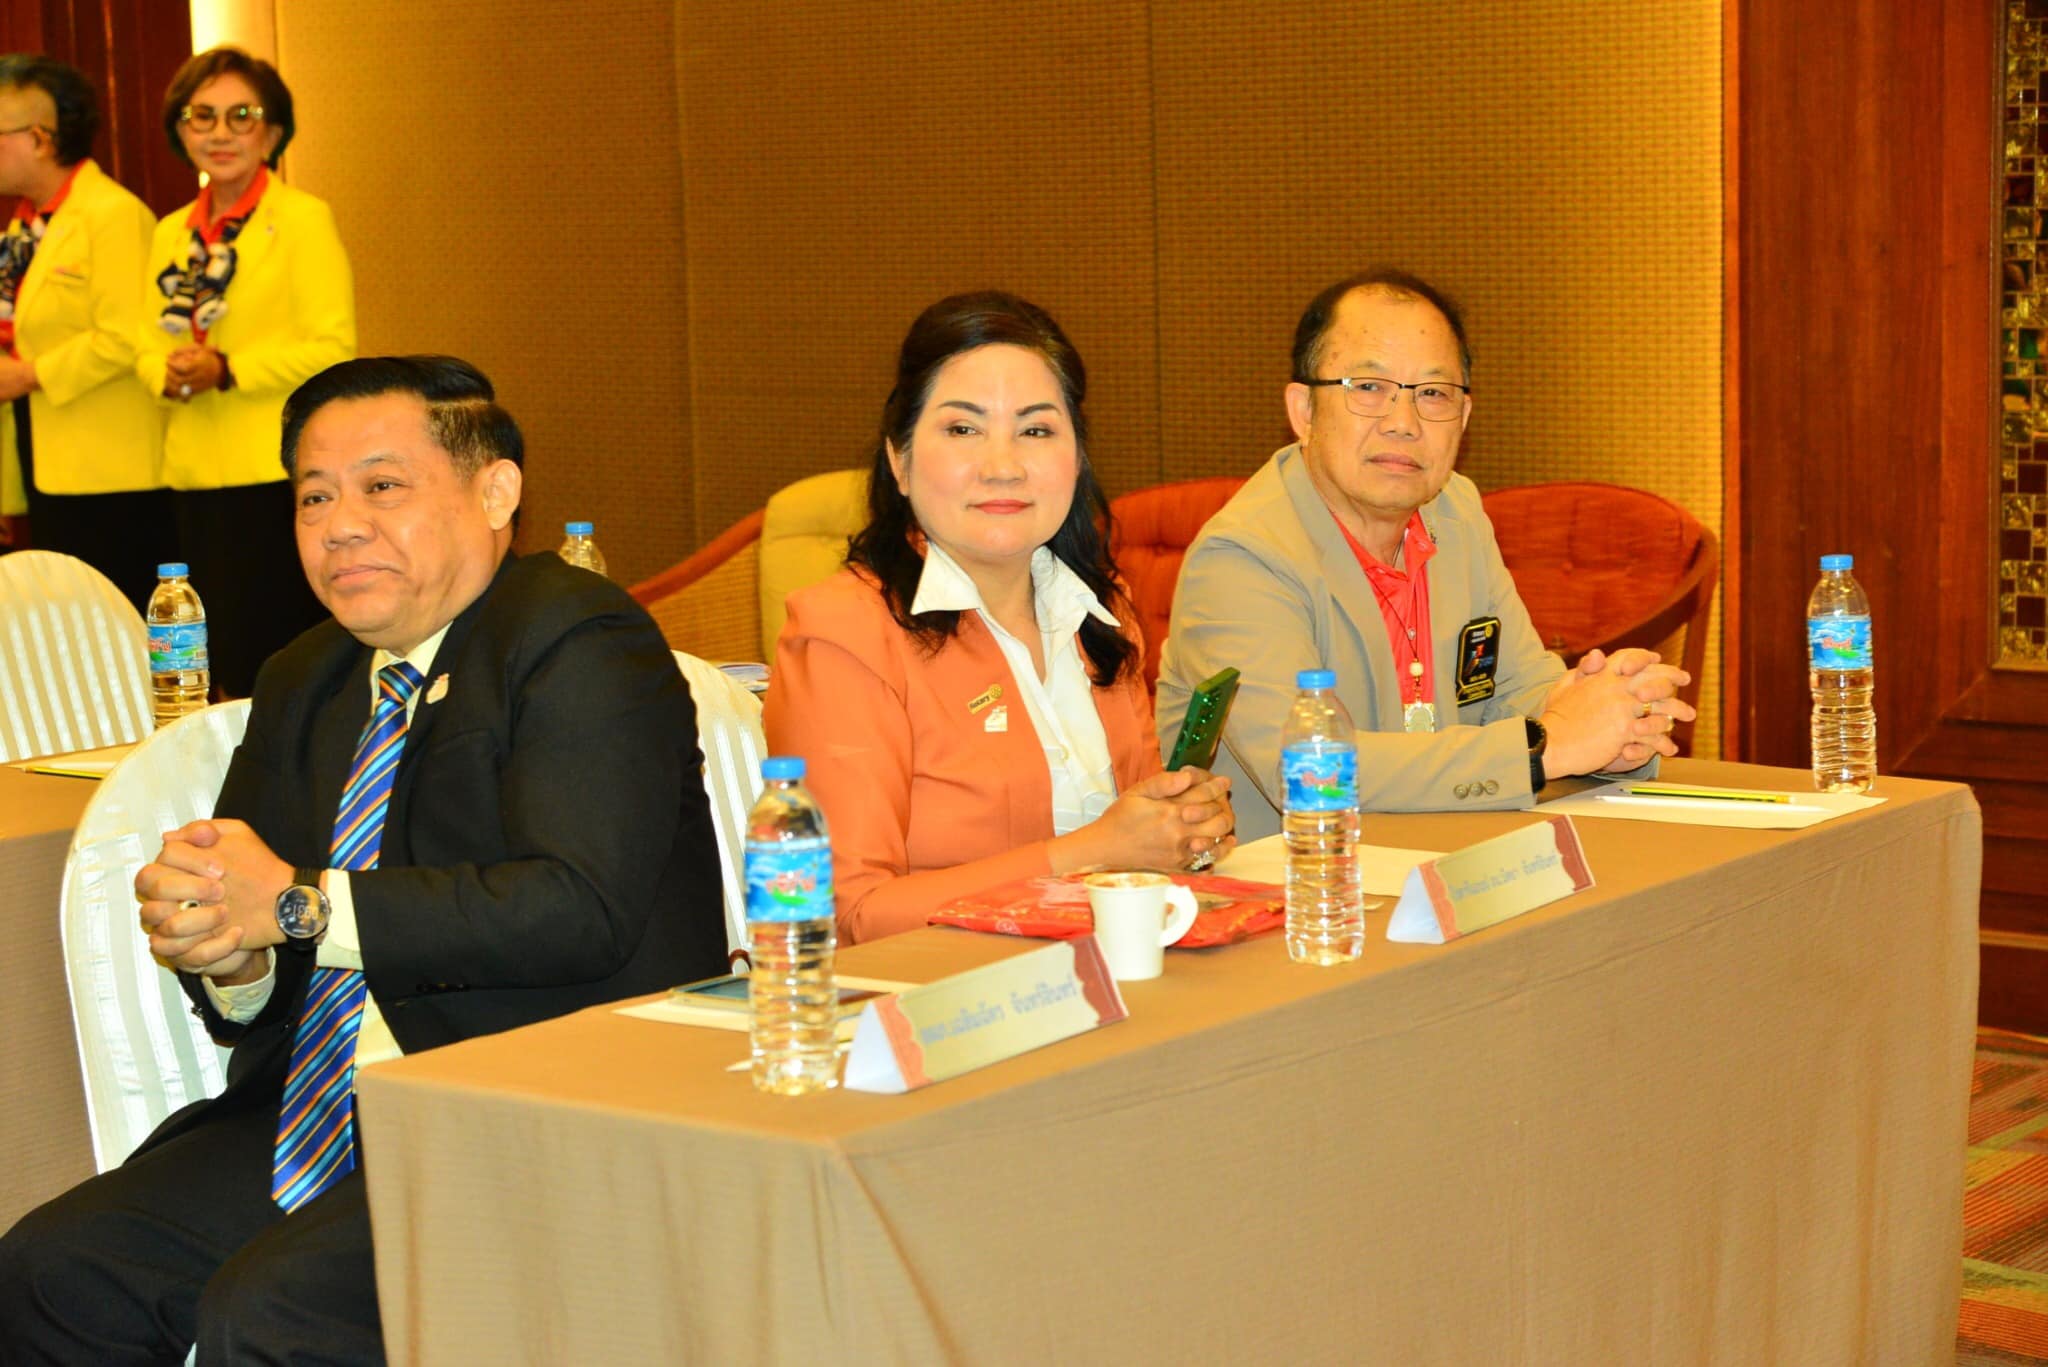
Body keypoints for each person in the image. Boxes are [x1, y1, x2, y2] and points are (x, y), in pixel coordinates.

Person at [0, 355, 729, 1363]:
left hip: (538, 1109)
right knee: (52, 1270)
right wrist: (234, 954)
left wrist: (296, 905)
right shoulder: (305, 675)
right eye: (314, 496)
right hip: (322, 1114)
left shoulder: (579, 638)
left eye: (382, 486)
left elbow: (576, 905)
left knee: (273, 1315)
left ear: (495, 492)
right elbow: (257, 944)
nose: (340, 524)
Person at [1157, 269, 1696, 841]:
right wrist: (1546, 747)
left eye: (1433, 394)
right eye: (1369, 387)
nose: (1403, 423)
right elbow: (1310, 774)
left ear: (1463, 418)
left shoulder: (1453, 511)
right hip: (1298, 880)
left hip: (1445, 858)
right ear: (1304, 411)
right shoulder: (1242, 558)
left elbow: (1512, 688)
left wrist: (1603, 711)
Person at [765, 291, 1235, 945]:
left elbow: (1140, 840)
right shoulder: (843, 633)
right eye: (963, 429)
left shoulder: (1100, 612)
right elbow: (848, 918)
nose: (1003, 467)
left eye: (1036, 431)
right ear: (899, 460)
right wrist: (1097, 850)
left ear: (1077, 459)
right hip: (945, 995)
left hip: (1116, 971)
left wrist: (1178, 831)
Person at [137, 46, 354, 695]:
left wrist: (228, 368)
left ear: (273, 131)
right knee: (216, 657)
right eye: (201, 116)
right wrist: (165, 372)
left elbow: (332, 347)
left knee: (281, 654)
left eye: (242, 116)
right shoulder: (171, 231)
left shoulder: (302, 218)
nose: (220, 133)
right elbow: (142, 341)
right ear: (180, 131)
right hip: (190, 471)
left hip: (273, 470)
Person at [0, 55, 167, 609]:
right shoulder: (26, 226)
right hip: (44, 461)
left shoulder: (113, 214)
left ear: (41, 138)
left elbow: (126, 336)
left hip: (111, 473)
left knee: (117, 622)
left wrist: (27, 375)